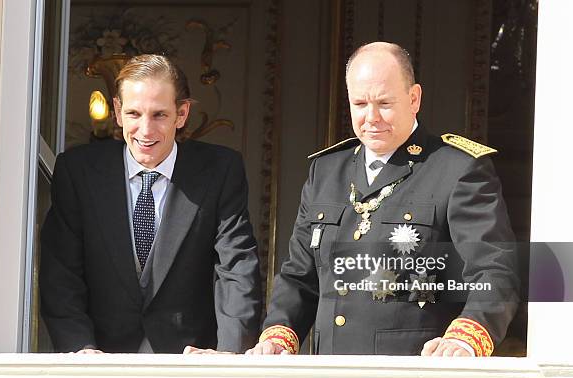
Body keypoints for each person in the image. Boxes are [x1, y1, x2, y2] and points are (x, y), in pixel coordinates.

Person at [246, 42, 519, 357]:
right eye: (360, 103)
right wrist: (279, 336)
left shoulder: (457, 169)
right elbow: (300, 276)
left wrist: (465, 338)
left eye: (385, 103)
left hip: (412, 377)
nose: (371, 117)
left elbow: (494, 269)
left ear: (414, 98)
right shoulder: (326, 170)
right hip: (328, 377)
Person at [40, 54, 262, 354]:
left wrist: (229, 356)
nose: (145, 131)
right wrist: (80, 349)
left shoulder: (220, 170)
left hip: (191, 366)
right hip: (99, 365)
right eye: (133, 113)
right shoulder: (78, 172)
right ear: (117, 112)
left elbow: (236, 267)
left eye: (159, 115)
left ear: (181, 114)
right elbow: (61, 274)